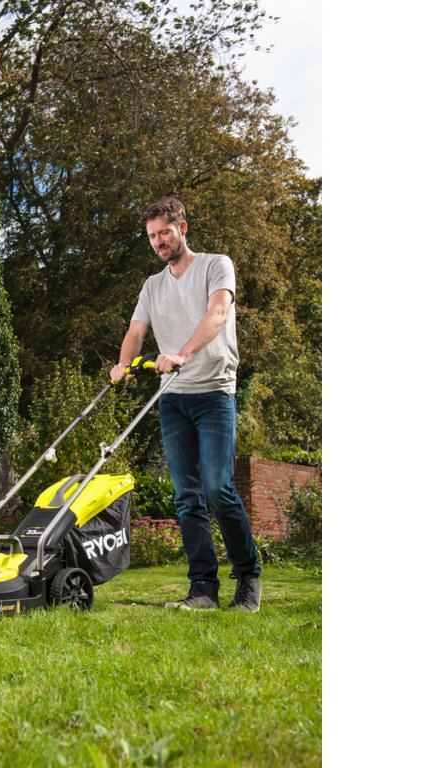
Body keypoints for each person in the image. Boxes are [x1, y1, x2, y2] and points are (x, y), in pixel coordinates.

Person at [110, 197, 261, 612]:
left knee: (217, 487)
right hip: (173, 399)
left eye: (164, 232)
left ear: (182, 228)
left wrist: (182, 354)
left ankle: (248, 578)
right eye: (152, 236)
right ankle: (203, 589)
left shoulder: (216, 266)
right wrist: (123, 364)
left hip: (214, 392)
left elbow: (217, 313)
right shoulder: (152, 286)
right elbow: (136, 331)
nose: (158, 241)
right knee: (186, 496)